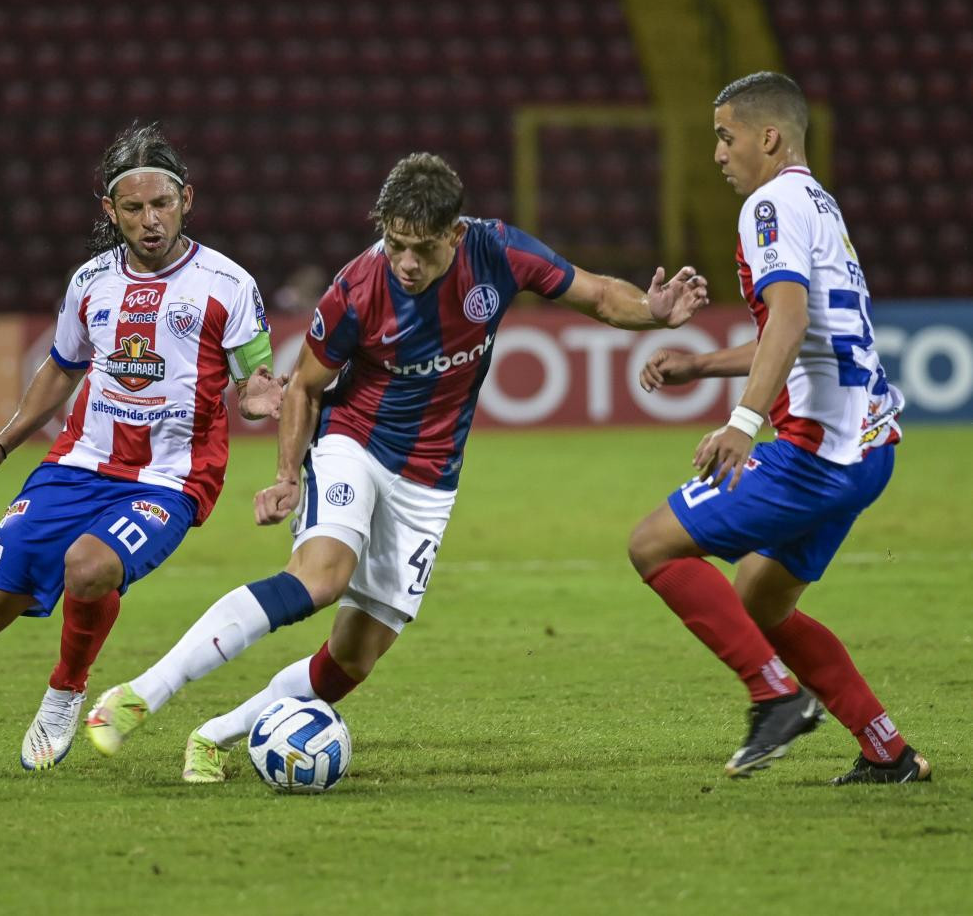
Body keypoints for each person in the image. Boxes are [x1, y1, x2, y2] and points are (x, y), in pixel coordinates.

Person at [82, 151, 709, 782]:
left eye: (422, 248)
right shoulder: (356, 290)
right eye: (395, 242)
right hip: (353, 442)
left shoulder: (496, 252)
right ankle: (143, 693)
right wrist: (286, 476)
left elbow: (599, 295)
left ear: (454, 234)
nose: (406, 262)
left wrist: (652, 313)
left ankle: (215, 735)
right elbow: (303, 387)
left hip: (430, 479)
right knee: (319, 580)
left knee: (352, 658)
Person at [0, 122, 284, 776]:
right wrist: (2, 442)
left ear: (188, 198)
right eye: (133, 208)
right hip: (75, 466)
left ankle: (67, 688)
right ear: (110, 211)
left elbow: (254, 378)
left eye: (162, 204)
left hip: (170, 479)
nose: (150, 220)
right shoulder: (91, 281)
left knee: (89, 565)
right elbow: (61, 367)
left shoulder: (228, 284)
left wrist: (258, 398)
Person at [627, 72, 930, 784]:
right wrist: (702, 364)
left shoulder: (768, 206)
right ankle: (887, 749)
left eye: (725, 136)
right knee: (757, 603)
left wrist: (740, 423)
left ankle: (776, 698)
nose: (718, 154)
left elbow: (789, 321)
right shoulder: (818, 203)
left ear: (769, 137)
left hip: (815, 455)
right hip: (869, 449)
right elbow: (807, 333)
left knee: (653, 546)